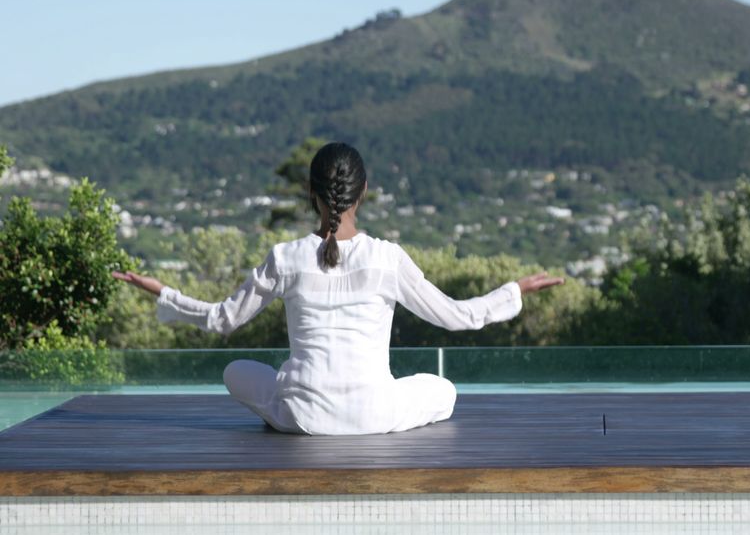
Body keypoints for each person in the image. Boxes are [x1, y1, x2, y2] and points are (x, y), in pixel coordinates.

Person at [112, 142, 563, 435]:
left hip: (301, 416)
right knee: (445, 390)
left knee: (234, 371)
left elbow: (221, 320)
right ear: (363, 191)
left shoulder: (285, 257)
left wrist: (162, 292)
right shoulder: (388, 258)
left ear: (312, 192)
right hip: (375, 414)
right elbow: (458, 316)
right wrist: (515, 290)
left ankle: (291, 396)